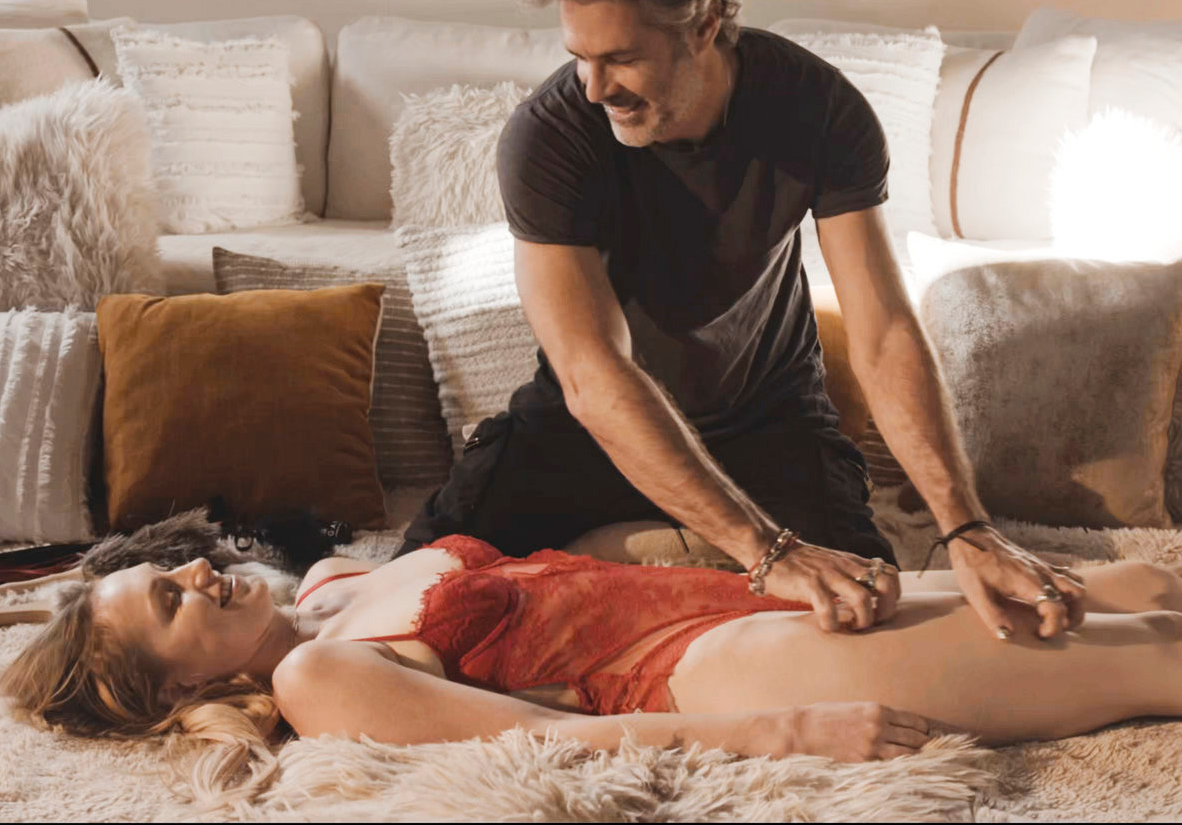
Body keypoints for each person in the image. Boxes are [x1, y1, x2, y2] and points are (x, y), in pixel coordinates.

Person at [402, 0, 1086, 642]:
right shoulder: (550, 136)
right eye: (579, 56)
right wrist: (767, 553)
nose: (594, 88)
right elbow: (593, 374)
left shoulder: (818, 108)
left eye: (620, 57)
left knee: (862, 616)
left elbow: (883, 330)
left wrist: (966, 527)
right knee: (409, 610)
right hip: (582, 430)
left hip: (769, 425)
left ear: (704, 23)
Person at [4, 541, 1182, 807]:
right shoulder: (320, 676)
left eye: (171, 567)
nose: (196, 572)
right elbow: (538, 741)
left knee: (1138, 584)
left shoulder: (326, 585)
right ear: (176, 691)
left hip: (741, 594)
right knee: (1154, 659)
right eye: (170, 603)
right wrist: (783, 734)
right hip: (717, 663)